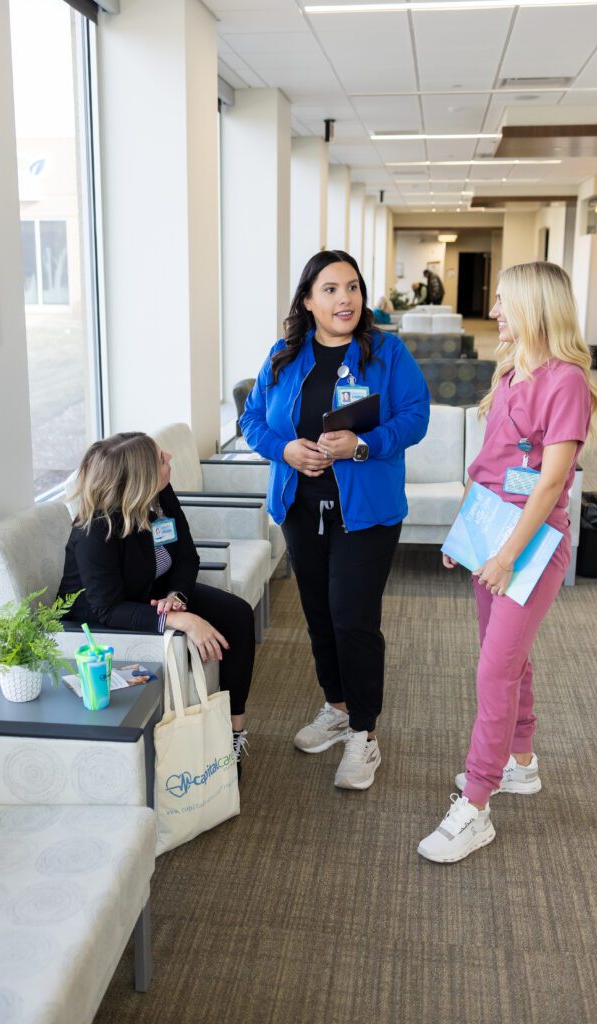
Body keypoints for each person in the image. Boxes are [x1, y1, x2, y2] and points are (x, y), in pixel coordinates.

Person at [418, 261, 597, 863]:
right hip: (492, 530)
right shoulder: (511, 371)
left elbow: (549, 484)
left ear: (533, 306)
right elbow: (492, 467)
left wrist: (504, 556)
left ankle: (476, 804)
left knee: (495, 670)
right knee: (506, 659)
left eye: (503, 301)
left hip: (530, 546)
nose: (493, 310)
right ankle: (520, 760)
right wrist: (465, 535)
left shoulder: (566, 380)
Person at [241, 250, 430, 791]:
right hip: (302, 506)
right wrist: (284, 451)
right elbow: (251, 418)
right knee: (319, 616)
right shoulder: (284, 355)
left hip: (365, 512)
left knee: (353, 618)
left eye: (352, 287)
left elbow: (416, 416)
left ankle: (364, 735)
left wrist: (363, 446)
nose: (344, 298)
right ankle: (337, 707)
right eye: (329, 289)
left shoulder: (386, 352)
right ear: (307, 300)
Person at [58, 432, 256, 774]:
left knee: (237, 615)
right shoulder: (95, 531)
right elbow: (107, 608)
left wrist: (176, 597)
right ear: (140, 477)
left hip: (157, 594)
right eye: (161, 459)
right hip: (106, 618)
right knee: (197, 624)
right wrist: (179, 620)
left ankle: (233, 730)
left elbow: (187, 557)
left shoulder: (159, 495)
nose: (169, 457)